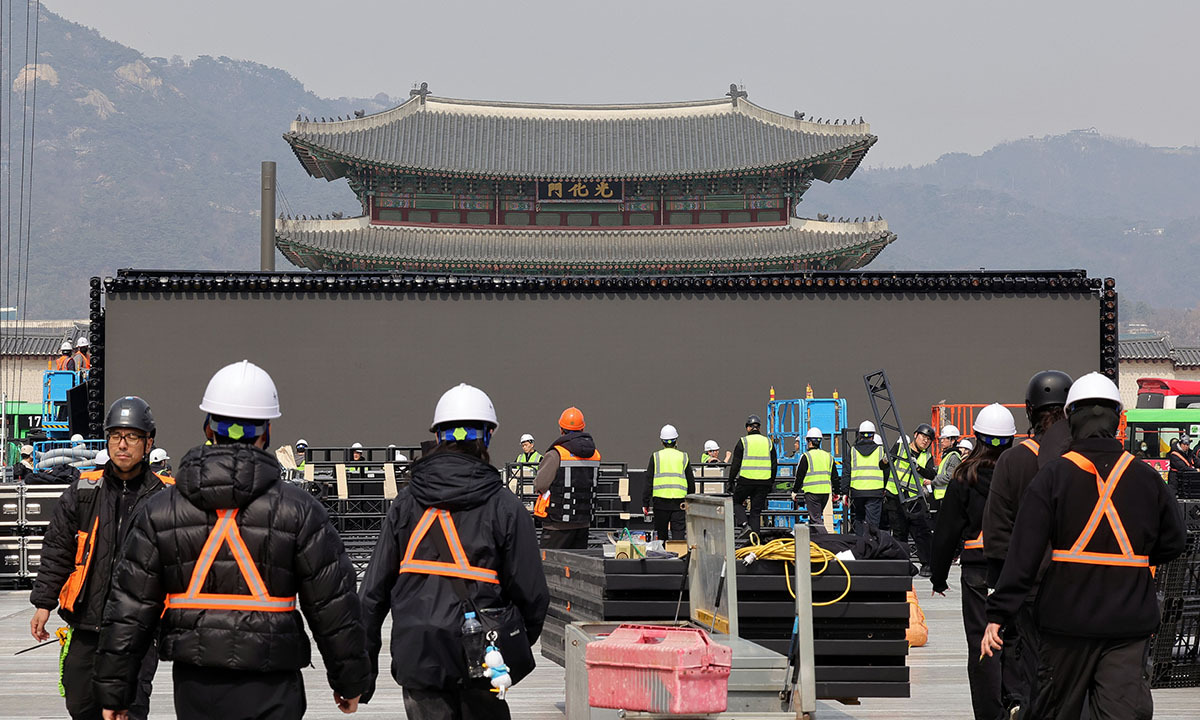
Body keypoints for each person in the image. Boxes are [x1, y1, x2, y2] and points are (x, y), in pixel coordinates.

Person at [92, 360, 368, 720]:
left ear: (209, 428)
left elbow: (129, 607)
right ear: (266, 433)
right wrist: (349, 681)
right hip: (274, 685)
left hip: (197, 688)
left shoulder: (161, 511)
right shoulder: (299, 511)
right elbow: (334, 606)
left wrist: (115, 692)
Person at [982, 372, 1186, 719]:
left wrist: (997, 614)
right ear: (1117, 419)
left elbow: (1024, 553)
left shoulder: (1053, 477)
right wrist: (1131, 559)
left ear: (1070, 418)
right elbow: (1174, 541)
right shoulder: (1146, 477)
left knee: (1055, 711)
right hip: (1128, 624)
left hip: (1066, 623)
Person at [359, 383, 549, 719]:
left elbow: (371, 595)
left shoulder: (406, 504)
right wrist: (509, 642)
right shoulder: (506, 507)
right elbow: (533, 595)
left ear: (438, 436)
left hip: (418, 653)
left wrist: (360, 675)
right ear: (487, 437)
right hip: (484, 654)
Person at [29, 397, 173, 720]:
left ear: (149, 442)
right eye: (115, 436)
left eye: (132, 436)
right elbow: (57, 549)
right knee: (80, 703)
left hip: (138, 631)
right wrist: (43, 603)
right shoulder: (83, 490)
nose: (122, 445)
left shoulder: (166, 498)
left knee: (129, 709)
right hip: (86, 623)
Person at [981, 369, 1072, 716]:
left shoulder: (1013, 461)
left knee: (1035, 669)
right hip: (1080, 585)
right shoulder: (1081, 460)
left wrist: (1001, 592)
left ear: (1030, 412)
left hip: (1029, 589)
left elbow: (998, 534)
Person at [930, 404, 1013, 720]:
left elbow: (947, 529)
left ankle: (992, 714)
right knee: (1016, 638)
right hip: (1017, 567)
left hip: (978, 569)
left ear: (977, 437)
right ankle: (1018, 700)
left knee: (982, 643)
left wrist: (939, 576)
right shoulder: (1020, 472)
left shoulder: (965, 475)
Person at [533, 407, 600, 549]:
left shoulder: (556, 454)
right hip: (583, 523)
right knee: (577, 567)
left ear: (561, 429)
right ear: (582, 429)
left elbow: (541, 484)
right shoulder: (594, 454)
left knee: (551, 567)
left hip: (557, 524)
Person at [884, 424, 936, 576]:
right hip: (895, 495)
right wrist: (885, 460)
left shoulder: (926, 456)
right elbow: (883, 465)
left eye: (928, 440)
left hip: (914, 498)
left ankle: (927, 564)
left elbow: (931, 475)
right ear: (915, 435)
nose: (925, 441)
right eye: (923, 437)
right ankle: (902, 564)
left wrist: (918, 468)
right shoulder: (900, 448)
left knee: (921, 532)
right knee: (899, 532)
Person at [641, 424, 696, 541]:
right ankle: (679, 556)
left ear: (662, 442)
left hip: (660, 503)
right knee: (678, 535)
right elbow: (691, 481)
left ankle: (663, 558)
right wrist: (690, 500)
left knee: (661, 535)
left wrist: (645, 502)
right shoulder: (683, 456)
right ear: (676, 441)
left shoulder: (656, 457)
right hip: (679, 503)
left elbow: (649, 480)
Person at [729, 414, 778, 535]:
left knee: (736, 502)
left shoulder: (743, 441)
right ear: (759, 428)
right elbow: (774, 465)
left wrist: (730, 481)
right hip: (764, 482)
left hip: (746, 480)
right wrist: (771, 482)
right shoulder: (768, 442)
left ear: (748, 428)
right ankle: (755, 542)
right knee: (756, 512)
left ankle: (745, 525)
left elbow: (735, 464)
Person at [790, 427, 838, 530]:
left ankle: (826, 541)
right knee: (814, 519)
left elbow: (799, 476)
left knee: (815, 519)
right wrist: (837, 492)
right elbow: (835, 477)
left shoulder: (806, 456)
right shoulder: (828, 456)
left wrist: (794, 491)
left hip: (812, 493)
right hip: (825, 493)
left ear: (809, 441)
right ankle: (814, 542)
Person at [847, 421, 889, 535]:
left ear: (860, 435)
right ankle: (871, 547)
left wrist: (845, 492)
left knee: (859, 519)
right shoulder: (881, 450)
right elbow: (886, 471)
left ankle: (860, 546)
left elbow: (847, 472)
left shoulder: (852, 450)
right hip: (875, 492)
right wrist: (885, 487)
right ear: (873, 435)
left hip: (857, 492)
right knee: (873, 523)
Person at [930, 424, 962, 509]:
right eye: (941, 439)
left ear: (952, 440)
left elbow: (949, 477)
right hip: (941, 497)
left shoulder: (954, 457)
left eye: (945, 438)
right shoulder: (947, 455)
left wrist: (932, 481)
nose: (942, 441)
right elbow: (941, 471)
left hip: (947, 497)